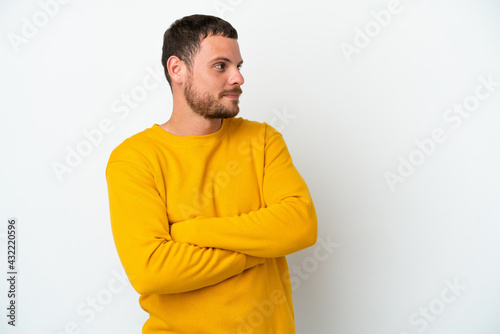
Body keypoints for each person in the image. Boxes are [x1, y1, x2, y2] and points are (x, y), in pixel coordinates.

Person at [105, 14, 317, 334]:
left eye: (238, 66)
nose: (238, 78)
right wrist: (253, 254)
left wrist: (190, 233)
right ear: (177, 69)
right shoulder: (135, 159)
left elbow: (300, 225)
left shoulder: (262, 140)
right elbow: (151, 271)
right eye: (221, 66)